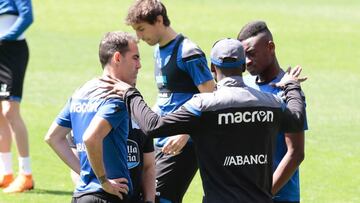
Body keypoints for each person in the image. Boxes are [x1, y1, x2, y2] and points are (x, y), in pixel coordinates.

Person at [100, 38, 307, 203]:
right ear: (244, 66)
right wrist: (292, 86)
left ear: (212, 67)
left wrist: (130, 93)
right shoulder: (271, 103)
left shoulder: (202, 106)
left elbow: (153, 126)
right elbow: (296, 119)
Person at [125, 1, 215, 202]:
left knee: (161, 198)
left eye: (141, 29)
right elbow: (166, 99)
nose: (139, 37)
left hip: (184, 144)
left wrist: (185, 132)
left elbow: (211, 97)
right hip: (162, 141)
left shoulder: (188, 52)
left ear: (158, 20)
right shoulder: (158, 50)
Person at [44, 31, 140, 203]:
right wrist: (103, 181)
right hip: (109, 196)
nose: (139, 65)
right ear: (117, 57)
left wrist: (86, 174)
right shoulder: (116, 97)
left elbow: (53, 137)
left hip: (81, 195)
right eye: (135, 57)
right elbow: (91, 138)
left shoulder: (81, 93)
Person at [237, 21, 307, 203]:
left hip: (277, 196)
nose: (247, 61)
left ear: (271, 47)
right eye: (243, 56)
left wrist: (263, 195)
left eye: (251, 54)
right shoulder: (244, 85)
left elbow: (296, 153)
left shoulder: (290, 92)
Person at [67, 121, 156, 203]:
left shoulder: (141, 124)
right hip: (94, 196)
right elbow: (77, 168)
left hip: (131, 198)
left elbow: (148, 167)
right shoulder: (81, 122)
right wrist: (101, 183)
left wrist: (149, 200)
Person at [0, 0, 34, 193]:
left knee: (10, 111)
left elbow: (27, 16)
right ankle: (6, 174)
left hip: (12, 51)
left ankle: (26, 175)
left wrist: (5, 37)